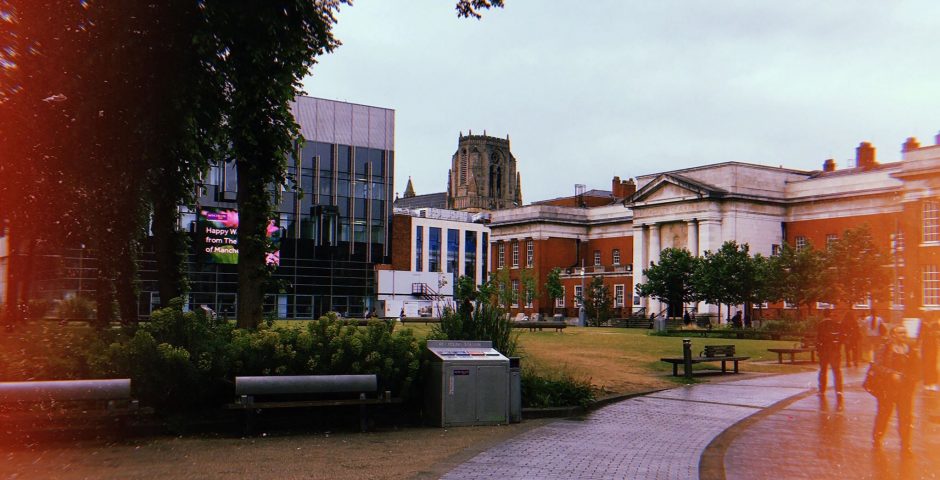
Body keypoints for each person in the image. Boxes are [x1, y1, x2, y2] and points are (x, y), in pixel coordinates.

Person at [871, 326, 919, 455]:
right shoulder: (885, 349)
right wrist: (891, 374)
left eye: (905, 332)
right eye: (900, 332)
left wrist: (912, 379)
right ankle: (877, 437)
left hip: (905, 389)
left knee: (905, 418)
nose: (903, 334)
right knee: (884, 414)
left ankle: (905, 446)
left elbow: (917, 367)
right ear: (893, 335)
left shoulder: (910, 349)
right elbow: (876, 366)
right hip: (888, 389)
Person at [817, 310, 843, 397]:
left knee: (823, 371)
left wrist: (819, 350)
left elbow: (818, 338)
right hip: (834, 351)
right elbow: (840, 338)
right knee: (837, 371)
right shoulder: (836, 324)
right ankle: (839, 390)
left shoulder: (821, 324)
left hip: (824, 350)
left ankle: (822, 390)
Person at [921, 314, 939, 390]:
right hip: (925, 347)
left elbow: (938, 333)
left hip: (933, 346)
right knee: (927, 364)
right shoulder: (923, 324)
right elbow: (920, 335)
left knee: (933, 364)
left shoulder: (935, 324)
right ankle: (927, 383)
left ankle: (933, 383)